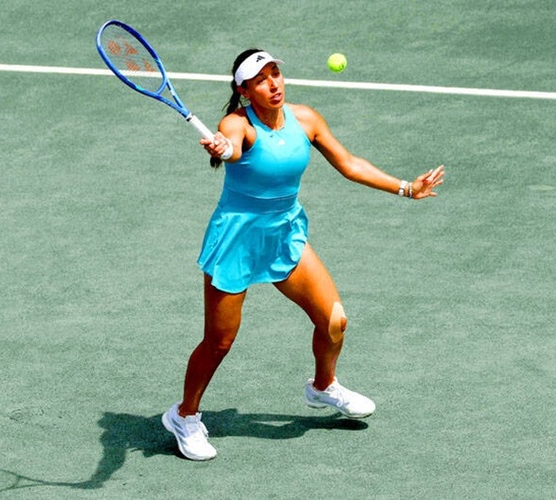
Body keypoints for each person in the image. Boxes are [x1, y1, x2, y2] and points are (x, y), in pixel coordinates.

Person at [162, 49, 444, 461]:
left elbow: (349, 163)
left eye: (275, 73)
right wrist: (223, 148)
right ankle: (183, 416)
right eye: (261, 80)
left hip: (284, 234)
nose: (273, 84)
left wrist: (406, 188)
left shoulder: (306, 118)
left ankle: (323, 386)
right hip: (238, 240)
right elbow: (233, 148)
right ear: (244, 91)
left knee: (334, 321)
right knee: (220, 341)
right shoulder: (237, 124)